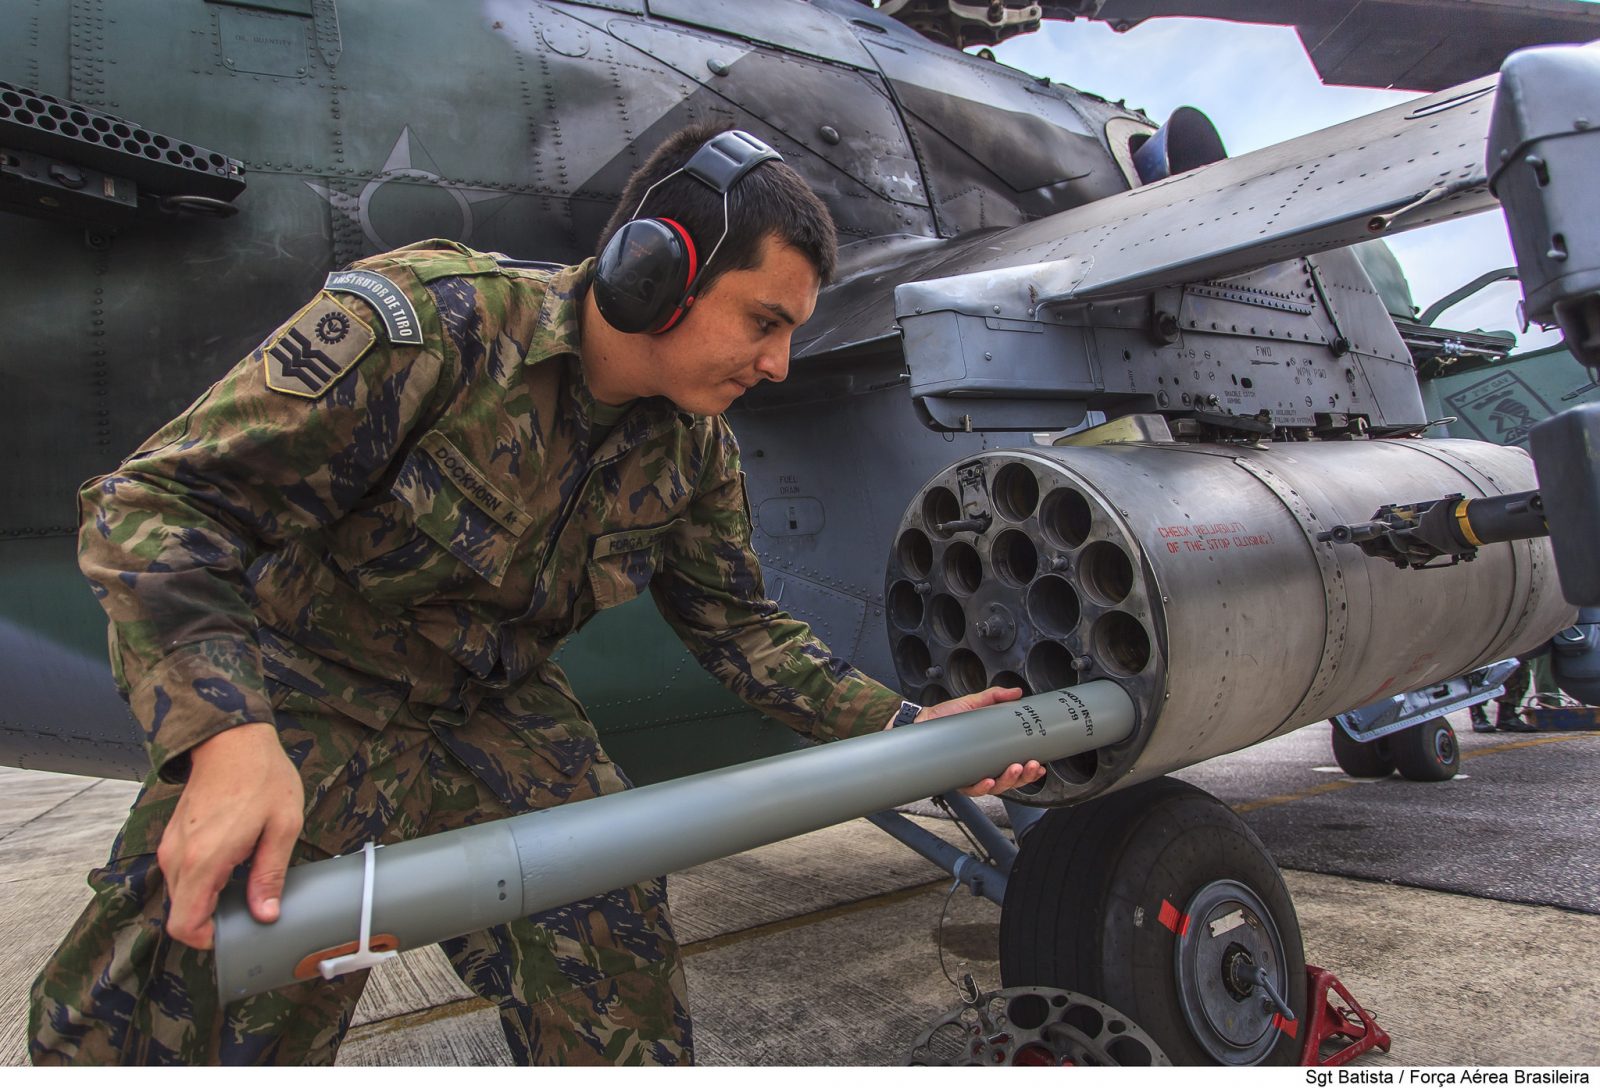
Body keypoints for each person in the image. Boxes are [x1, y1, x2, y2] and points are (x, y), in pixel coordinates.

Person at [29, 125, 1043, 1065]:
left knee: (614, 956)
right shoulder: (428, 328)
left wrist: (907, 723)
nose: (777, 363)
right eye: (762, 321)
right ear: (657, 273)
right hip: (306, 689)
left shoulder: (691, 450)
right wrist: (229, 738)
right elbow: (155, 502)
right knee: (163, 1019)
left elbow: (744, 632)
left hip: (496, 710)